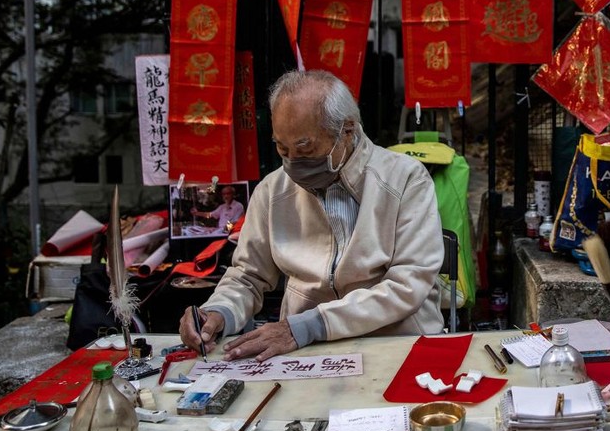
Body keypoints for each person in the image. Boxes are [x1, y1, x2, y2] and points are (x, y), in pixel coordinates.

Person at [179, 70, 444, 361]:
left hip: (394, 342)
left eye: (306, 149)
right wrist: (219, 311)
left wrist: (310, 325)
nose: (293, 162)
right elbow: (247, 276)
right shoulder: (273, 190)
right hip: (307, 351)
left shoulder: (404, 179)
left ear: (347, 131)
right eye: (282, 149)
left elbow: (408, 284)